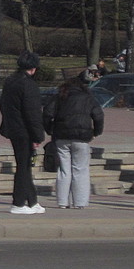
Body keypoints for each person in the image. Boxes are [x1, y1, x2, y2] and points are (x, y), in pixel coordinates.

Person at [43, 69, 105, 209]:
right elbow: (99, 115)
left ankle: (62, 202)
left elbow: (47, 113)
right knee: (81, 169)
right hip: (82, 138)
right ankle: (80, 203)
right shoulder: (88, 97)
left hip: (61, 136)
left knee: (64, 169)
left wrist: (50, 129)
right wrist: (96, 132)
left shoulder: (59, 96)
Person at [0, 51, 47, 214]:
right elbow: (33, 113)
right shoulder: (29, 85)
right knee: (24, 166)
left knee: (24, 165)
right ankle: (18, 203)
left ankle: (32, 201)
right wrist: (38, 136)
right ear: (33, 68)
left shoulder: (10, 81)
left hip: (13, 128)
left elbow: (3, 105)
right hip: (25, 130)